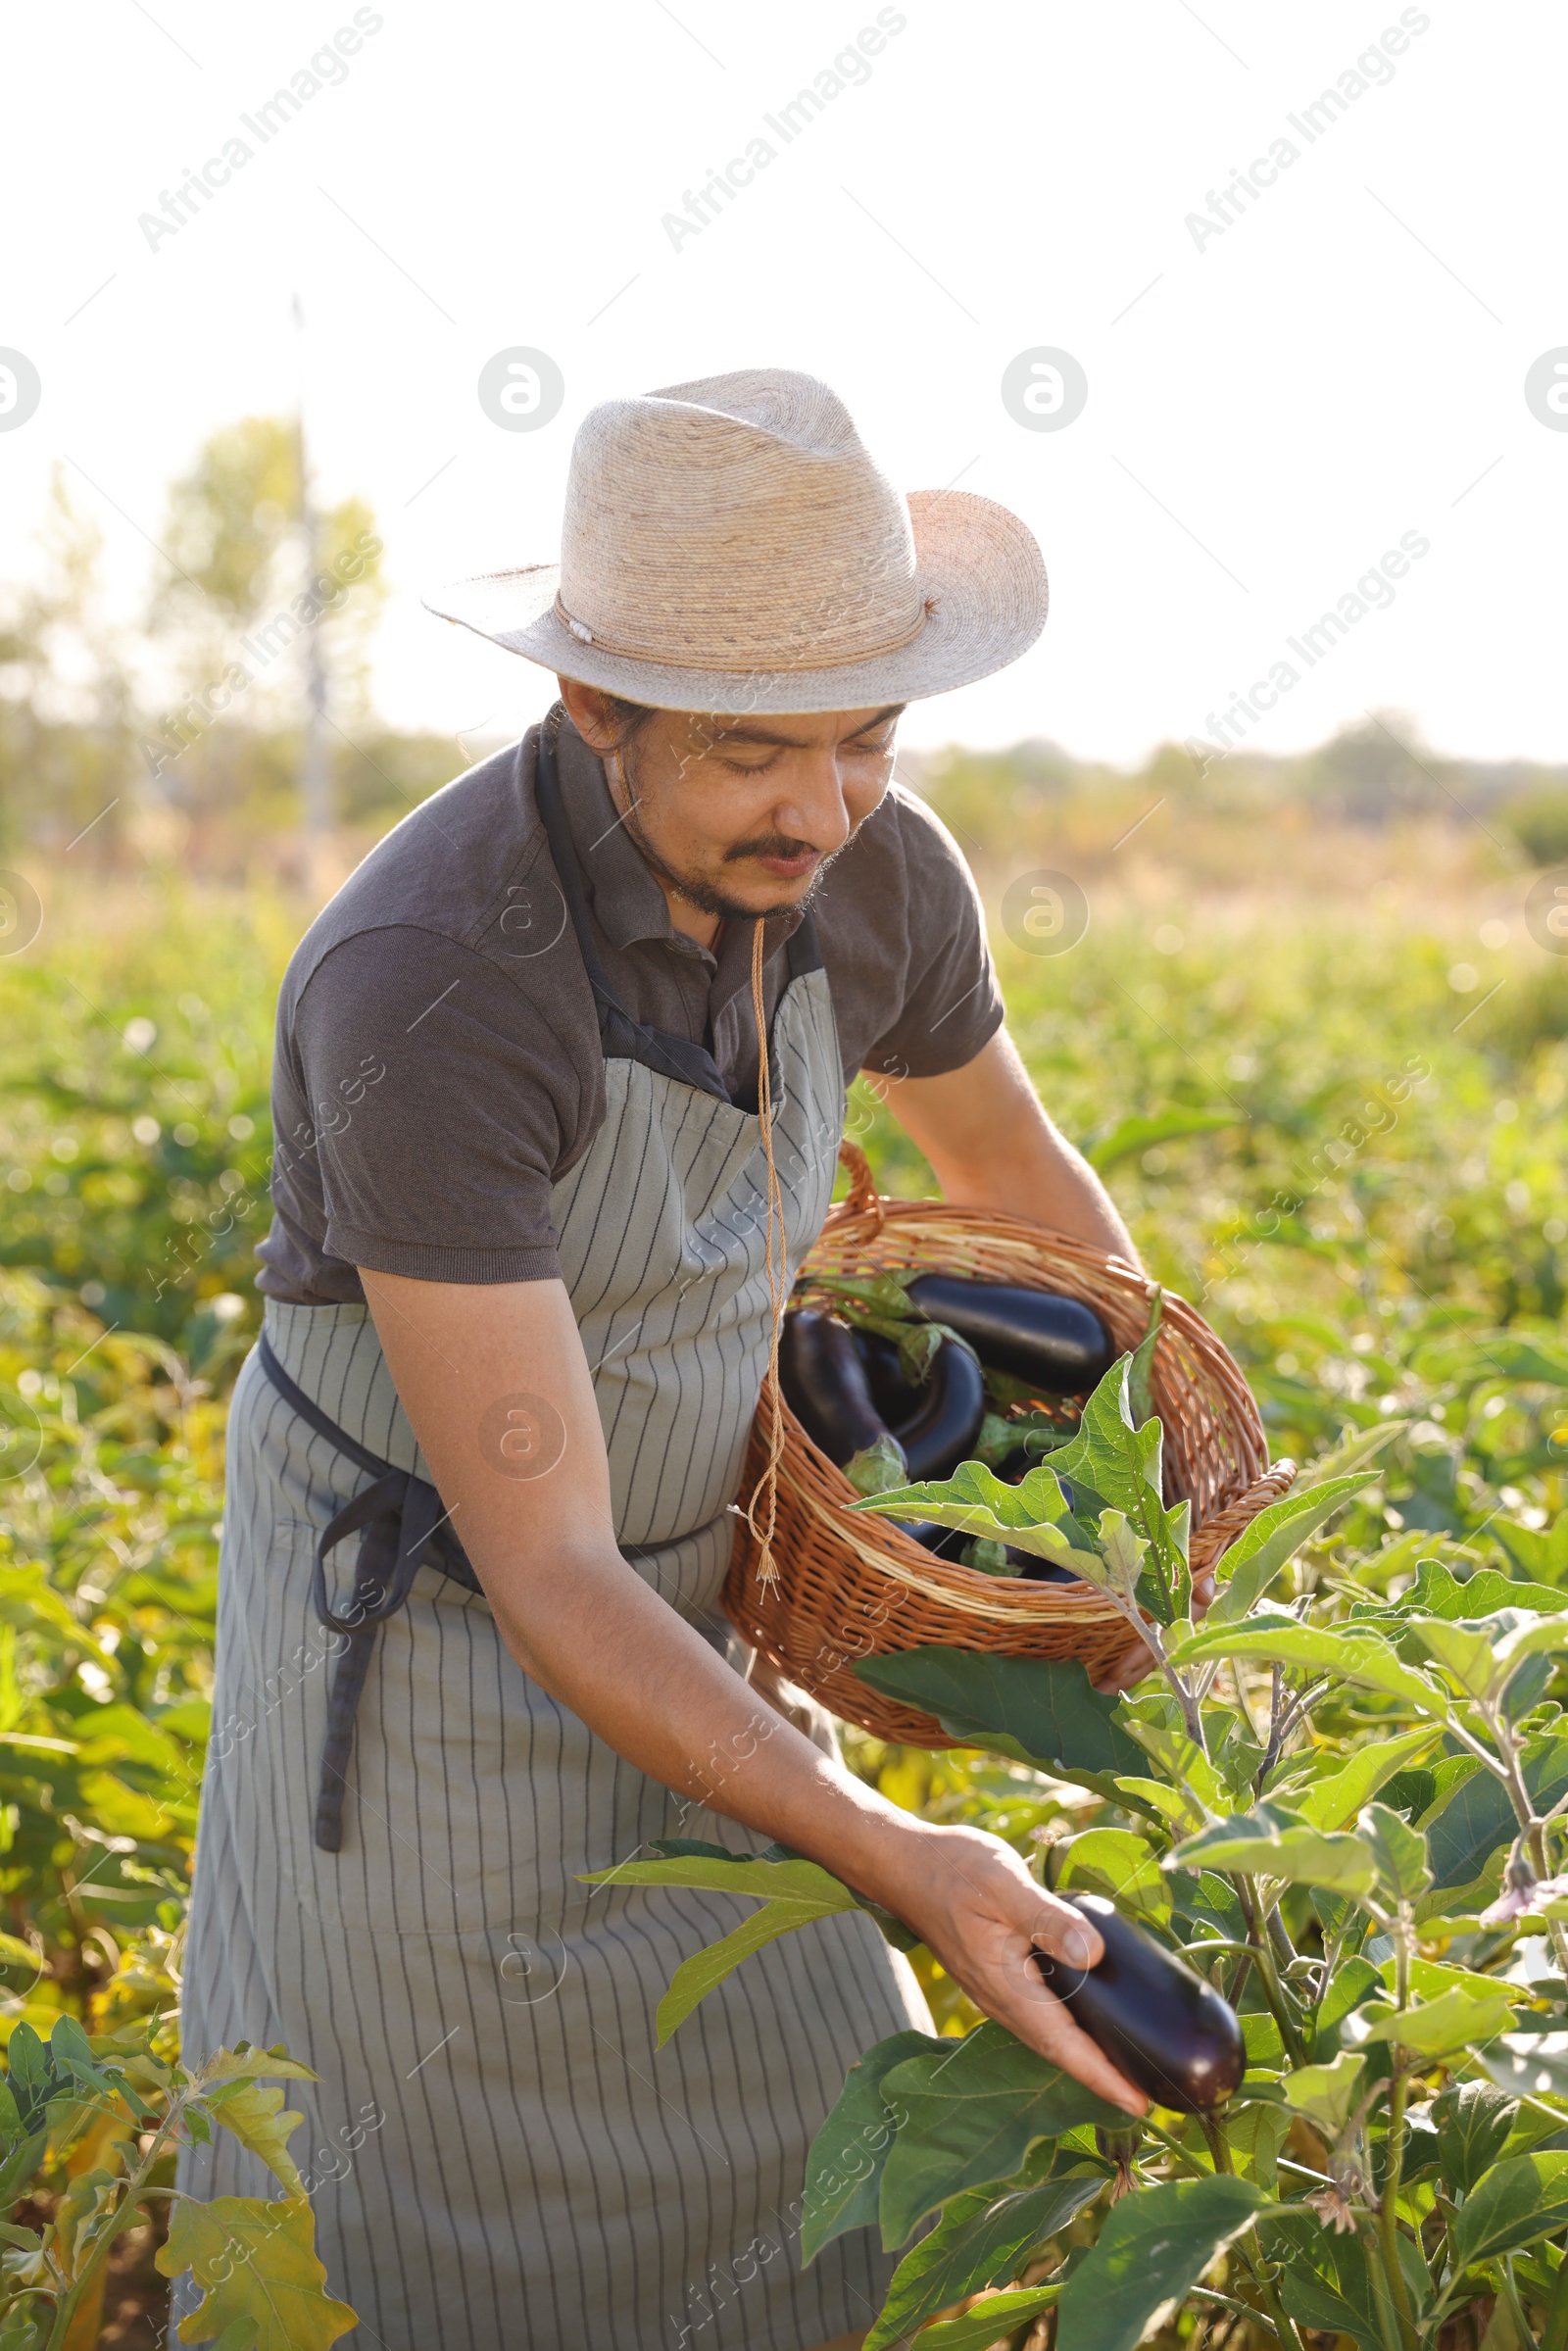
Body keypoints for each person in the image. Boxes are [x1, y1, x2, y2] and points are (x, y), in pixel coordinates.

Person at [177, 368, 1152, 2351]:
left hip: (701, 1623)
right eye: (748, 756)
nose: (820, 807)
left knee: (814, 2153)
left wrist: (1133, 1530)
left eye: (863, 738)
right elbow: (539, 1568)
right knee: (441, 2237)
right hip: (437, 1650)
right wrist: (894, 1846)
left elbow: (1029, 1196)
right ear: (590, 708)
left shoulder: (876, 873)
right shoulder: (438, 981)